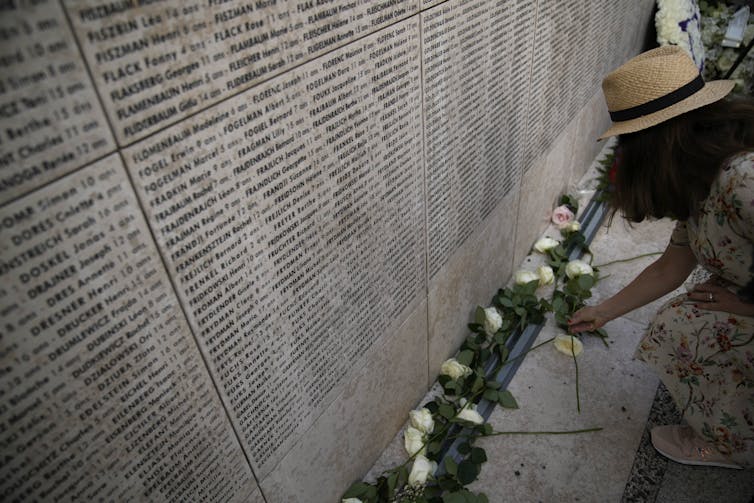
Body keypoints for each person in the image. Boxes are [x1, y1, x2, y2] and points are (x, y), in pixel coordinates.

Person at [568, 46, 754, 469]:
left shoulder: (743, 180)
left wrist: (745, 306)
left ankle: (734, 444)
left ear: (654, 139)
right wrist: (603, 310)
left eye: (629, 140)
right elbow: (672, 265)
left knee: (689, 328)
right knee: (683, 317)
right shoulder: (699, 176)